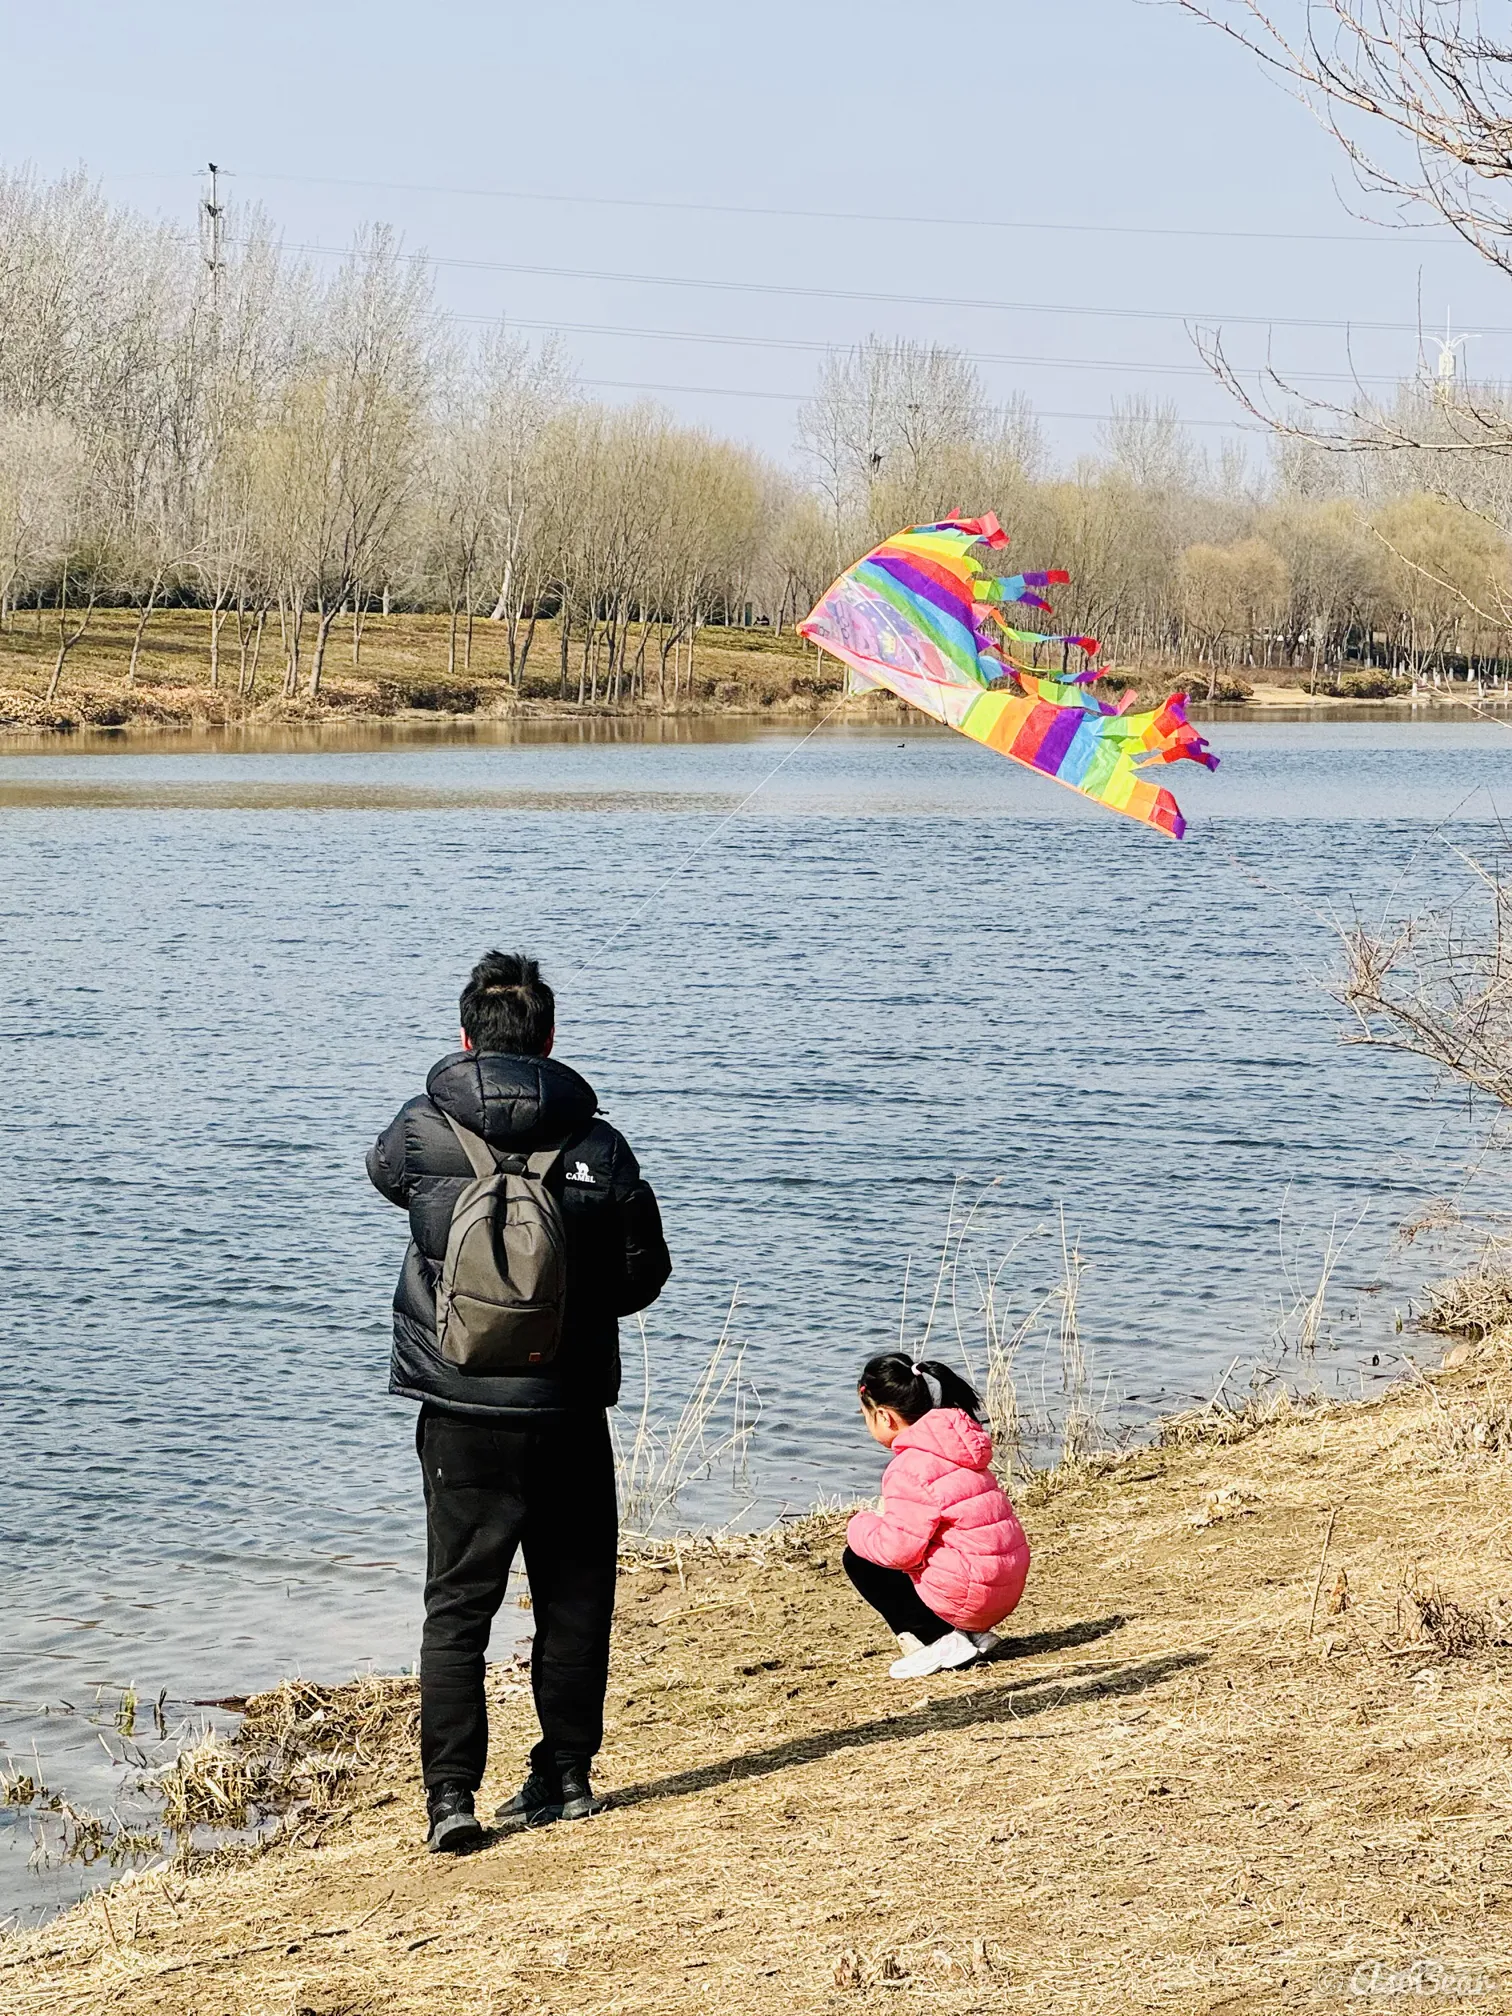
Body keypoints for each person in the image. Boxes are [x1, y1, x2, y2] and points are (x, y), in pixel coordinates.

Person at [367, 950, 671, 1852]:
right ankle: (567, 1776)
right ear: (548, 1039)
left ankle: (451, 1798)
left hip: (458, 1408)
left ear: (466, 1037)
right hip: (570, 1407)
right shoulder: (599, 1143)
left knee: (458, 1604)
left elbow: (385, 1179)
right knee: (575, 1598)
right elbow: (643, 1275)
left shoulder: (422, 1128)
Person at [843, 1354, 1029, 1680]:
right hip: (1003, 1589)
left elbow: (897, 1551)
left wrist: (859, 1525)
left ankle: (936, 1638)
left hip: (972, 1595)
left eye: (866, 1416)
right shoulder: (960, 1446)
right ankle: (969, 1634)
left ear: (884, 1417)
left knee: (859, 1558)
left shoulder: (908, 1467)